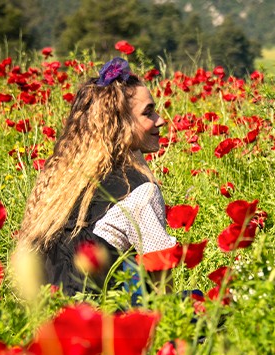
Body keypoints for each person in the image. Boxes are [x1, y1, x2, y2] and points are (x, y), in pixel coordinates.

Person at [18, 57, 176, 296]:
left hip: (47, 316)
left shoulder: (65, 185)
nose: (160, 120)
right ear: (120, 123)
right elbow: (161, 280)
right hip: (100, 322)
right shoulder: (140, 191)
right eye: (149, 113)